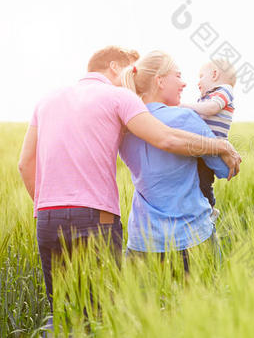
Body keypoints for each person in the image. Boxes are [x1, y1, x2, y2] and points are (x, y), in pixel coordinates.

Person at [17, 46, 241, 329]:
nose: (184, 82)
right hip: (139, 226)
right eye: (178, 75)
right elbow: (179, 146)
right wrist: (220, 143)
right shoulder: (132, 105)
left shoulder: (56, 102)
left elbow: (25, 164)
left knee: (70, 316)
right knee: (111, 318)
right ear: (115, 67)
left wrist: (49, 210)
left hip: (79, 226)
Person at [119, 51, 228, 270]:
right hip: (191, 238)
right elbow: (225, 169)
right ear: (160, 81)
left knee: (144, 305)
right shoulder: (185, 118)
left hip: (141, 241)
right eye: (178, 76)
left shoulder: (126, 129)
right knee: (204, 302)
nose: (184, 83)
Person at [180, 59, 236, 223]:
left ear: (214, 74)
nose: (198, 82)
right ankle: (200, 209)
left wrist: (186, 107)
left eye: (201, 76)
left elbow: (212, 108)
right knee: (195, 180)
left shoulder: (224, 90)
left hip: (212, 147)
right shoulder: (204, 98)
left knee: (204, 182)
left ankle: (209, 209)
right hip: (201, 147)